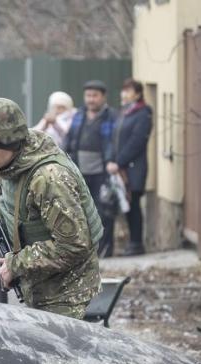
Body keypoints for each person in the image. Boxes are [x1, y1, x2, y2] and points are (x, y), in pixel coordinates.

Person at [0, 97, 102, 319]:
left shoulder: (49, 178)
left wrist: (14, 265)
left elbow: (73, 246)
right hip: (41, 289)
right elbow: (11, 202)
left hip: (67, 297)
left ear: (9, 141)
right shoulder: (14, 164)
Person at [64, 80, 116, 257]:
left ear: (103, 97)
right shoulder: (79, 115)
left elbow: (114, 143)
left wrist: (112, 162)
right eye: (88, 96)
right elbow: (69, 139)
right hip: (80, 171)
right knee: (81, 211)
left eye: (95, 96)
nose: (91, 100)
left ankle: (105, 249)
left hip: (102, 172)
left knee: (104, 211)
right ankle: (86, 249)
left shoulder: (111, 116)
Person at [108, 78, 153, 256]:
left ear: (138, 93)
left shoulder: (144, 112)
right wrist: (112, 160)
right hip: (120, 168)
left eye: (128, 91)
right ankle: (131, 242)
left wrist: (119, 162)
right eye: (123, 90)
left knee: (133, 204)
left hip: (134, 168)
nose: (123, 94)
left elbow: (137, 141)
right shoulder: (125, 112)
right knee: (126, 205)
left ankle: (136, 243)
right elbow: (115, 139)